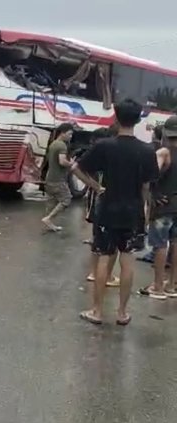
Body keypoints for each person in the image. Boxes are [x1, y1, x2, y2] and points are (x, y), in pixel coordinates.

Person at [72, 98, 159, 326]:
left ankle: (97, 311)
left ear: (116, 117)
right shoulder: (147, 150)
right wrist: (147, 214)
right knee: (127, 262)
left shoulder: (105, 146)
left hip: (108, 210)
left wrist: (96, 187)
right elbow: (147, 188)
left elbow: (77, 168)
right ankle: (121, 313)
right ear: (139, 118)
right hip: (133, 212)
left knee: (103, 258)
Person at [139, 116, 177, 300]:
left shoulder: (164, 152)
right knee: (176, 243)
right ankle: (172, 285)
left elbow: (149, 176)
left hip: (164, 206)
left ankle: (158, 286)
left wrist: (150, 197)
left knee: (160, 245)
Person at [85, 127, 120, 287]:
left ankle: (94, 272)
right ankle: (101, 274)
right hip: (100, 199)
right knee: (104, 240)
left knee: (97, 238)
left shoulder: (96, 155)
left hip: (96, 198)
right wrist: (97, 187)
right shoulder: (102, 156)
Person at [42, 123, 75, 231]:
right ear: (63, 133)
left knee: (51, 201)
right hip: (58, 179)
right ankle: (49, 218)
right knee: (66, 199)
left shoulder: (53, 144)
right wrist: (71, 163)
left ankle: (49, 223)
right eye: (69, 134)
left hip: (49, 178)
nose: (71, 136)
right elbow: (62, 161)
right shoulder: (62, 145)